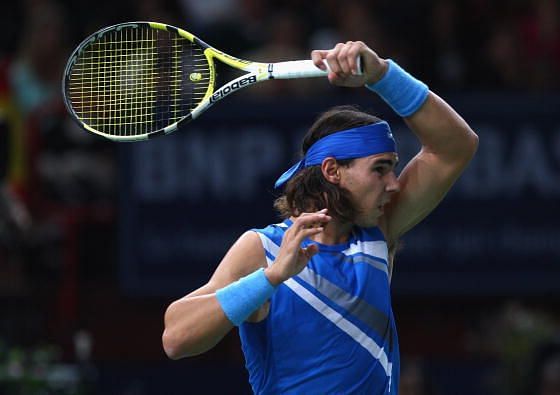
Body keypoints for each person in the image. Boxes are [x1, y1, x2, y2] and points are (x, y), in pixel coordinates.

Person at [162, 40, 478, 394]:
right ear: (332, 170)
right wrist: (271, 277)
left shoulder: (377, 233)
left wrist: (382, 75)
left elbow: (455, 147)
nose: (393, 185)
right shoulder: (263, 248)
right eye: (380, 169)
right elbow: (176, 338)